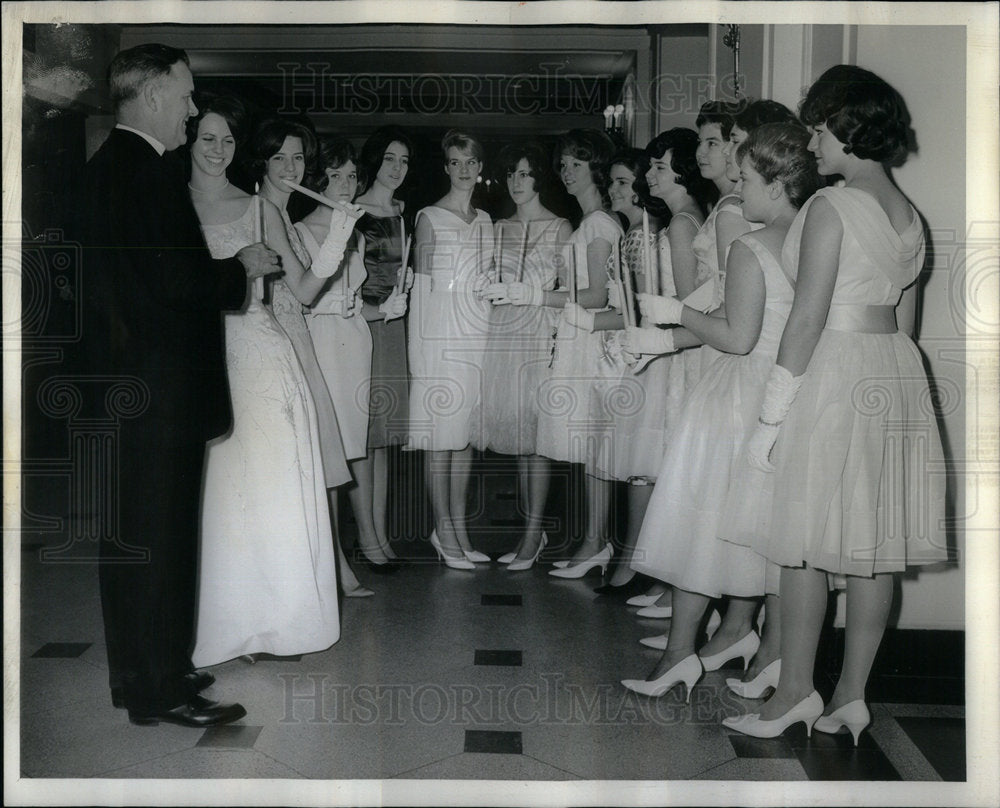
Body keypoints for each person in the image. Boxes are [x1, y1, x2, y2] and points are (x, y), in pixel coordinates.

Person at [723, 66, 946, 743]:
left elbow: (808, 316)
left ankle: (794, 693)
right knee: (870, 544)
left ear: (845, 129)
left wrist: (772, 413)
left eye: (818, 129)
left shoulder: (831, 205)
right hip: (893, 373)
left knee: (803, 546)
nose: (811, 142)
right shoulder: (910, 215)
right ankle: (851, 695)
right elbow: (905, 322)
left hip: (835, 370)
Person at [78, 44, 271, 727]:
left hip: (125, 390)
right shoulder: (150, 173)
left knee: (133, 540)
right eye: (187, 96)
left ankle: (147, 671)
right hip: (159, 394)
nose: (192, 111)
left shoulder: (104, 169)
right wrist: (240, 264)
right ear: (155, 93)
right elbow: (175, 284)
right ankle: (160, 688)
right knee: (159, 539)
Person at [619, 122, 821, 701]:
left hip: (734, 394)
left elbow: (735, 336)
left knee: (698, 523)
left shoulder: (751, 246)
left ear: (779, 184)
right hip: (782, 395)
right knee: (767, 538)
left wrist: (673, 314)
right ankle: (768, 657)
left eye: (749, 178)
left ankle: (679, 652)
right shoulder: (808, 242)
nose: (739, 187)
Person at [190, 97, 356, 667]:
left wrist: (338, 237)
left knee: (270, 486)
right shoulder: (170, 205)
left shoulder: (259, 209)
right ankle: (229, 623)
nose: (218, 150)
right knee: (221, 493)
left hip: (259, 353)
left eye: (226, 141)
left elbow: (303, 292)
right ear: (189, 143)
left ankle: (278, 621)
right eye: (208, 139)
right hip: (202, 357)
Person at [250, 118, 368, 597]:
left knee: (309, 464)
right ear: (261, 162)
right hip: (279, 346)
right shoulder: (263, 211)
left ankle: (320, 574)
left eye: (298, 158)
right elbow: (300, 292)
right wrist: (339, 237)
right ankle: (299, 584)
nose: (290, 167)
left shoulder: (275, 211)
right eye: (279, 157)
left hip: (297, 342)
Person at [595, 131, 711, 595]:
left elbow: (685, 304)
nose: (650, 176)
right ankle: (650, 571)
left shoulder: (682, 224)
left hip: (672, 353)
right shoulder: (680, 220)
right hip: (664, 345)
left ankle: (650, 571)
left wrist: (649, 335)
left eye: (660, 167)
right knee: (654, 467)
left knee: (656, 465)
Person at [476, 142, 572, 570]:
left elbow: (572, 293)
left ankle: (534, 533)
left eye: (525, 174)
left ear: (539, 179)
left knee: (538, 437)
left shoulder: (560, 227)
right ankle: (530, 529)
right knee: (518, 438)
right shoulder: (497, 228)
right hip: (502, 334)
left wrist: (533, 296)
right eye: (511, 174)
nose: (516, 182)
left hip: (540, 334)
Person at [534, 129, 623, 579]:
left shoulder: (599, 224)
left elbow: (594, 295)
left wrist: (536, 296)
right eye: (563, 164)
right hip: (578, 338)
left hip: (592, 341)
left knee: (595, 445)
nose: (567, 172)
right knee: (591, 448)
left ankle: (596, 542)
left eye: (576, 163)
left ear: (595, 168)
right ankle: (594, 541)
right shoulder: (590, 221)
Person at [410, 129, 493, 568]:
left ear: (481, 169)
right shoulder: (428, 217)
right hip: (439, 337)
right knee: (440, 439)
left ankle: (459, 529)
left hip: (474, 336)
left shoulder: (485, 222)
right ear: (446, 168)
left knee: (464, 441)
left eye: (471, 162)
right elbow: (421, 291)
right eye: (456, 162)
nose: (463, 170)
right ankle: (442, 531)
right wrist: (420, 354)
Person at [299, 136, 376, 596]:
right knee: (327, 457)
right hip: (323, 344)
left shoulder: (358, 232)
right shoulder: (303, 230)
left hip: (355, 344)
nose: (345, 185)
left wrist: (388, 309)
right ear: (318, 179)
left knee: (345, 456)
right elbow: (305, 298)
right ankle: (334, 565)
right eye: (334, 175)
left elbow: (354, 303)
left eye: (351, 176)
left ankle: (335, 558)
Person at [353, 126, 413, 568]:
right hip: (364, 324)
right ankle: (367, 537)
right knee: (364, 434)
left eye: (404, 161)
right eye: (390, 159)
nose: (397, 168)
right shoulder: (354, 212)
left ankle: (380, 534)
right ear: (375, 161)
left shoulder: (401, 209)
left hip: (396, 326)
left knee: (385, 435)